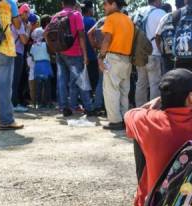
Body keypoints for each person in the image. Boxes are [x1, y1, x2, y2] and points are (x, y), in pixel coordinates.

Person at [125, 68, 192, 206]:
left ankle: (145, 200)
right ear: (190, 98)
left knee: (140, 135)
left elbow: (129, 115)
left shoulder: (148, 120)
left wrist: (155, 102)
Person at [53, 0, 95, 117]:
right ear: (74, 4)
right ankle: (88, 107)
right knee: (80, 80)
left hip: (60, 52)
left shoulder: (56, 16)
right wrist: (85, 55)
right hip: (75, 53)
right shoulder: (76, 15)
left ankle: (64, 106)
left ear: (62, 4)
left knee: (62, 80)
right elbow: (81, 36)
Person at [99, 0, 134, 130]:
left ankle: (115, 121)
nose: (104, 7)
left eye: (105, 4)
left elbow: (107, 38)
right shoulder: (128, 19)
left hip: (113, 57)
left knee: (111, 90)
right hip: (127, 58)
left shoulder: (111, 18)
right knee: (124, 90)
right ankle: (125, 119)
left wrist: (101, 56)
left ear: (113, 4)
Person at [0, 0, 24, 130]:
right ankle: (6, 120)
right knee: (4, 88)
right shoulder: (9, 2)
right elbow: (17, 25)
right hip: (3, 48)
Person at [134, 0, 166, 107]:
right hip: (154, 53)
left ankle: (139, 109)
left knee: (140, 83)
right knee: (154, 83)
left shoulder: (138, 12)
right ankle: (153, 111)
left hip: (139, 54)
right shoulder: (160, 13)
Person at [155, 0, 185, 73]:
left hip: (168, 55)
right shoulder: (188, 16)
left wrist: (161, 52)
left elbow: (157, 36)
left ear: (175, 5)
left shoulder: (166, 17)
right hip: (184, 55)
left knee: (168, 78)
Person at [11, 3, 30, 113]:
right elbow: (24, 41)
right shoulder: (19, 23)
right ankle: (13, 104)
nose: (28, 17)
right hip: (17, 54)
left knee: (9, 80)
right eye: (27, 13)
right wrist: (28, 29)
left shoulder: (10, 21)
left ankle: (9, 103)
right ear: (24, 13)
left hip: (8, 52)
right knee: (15, 80)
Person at [30, 27, 53, 108]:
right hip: (46, 66)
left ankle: (38, 103)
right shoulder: (45, 44)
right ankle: (48, 103)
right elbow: (51, 52)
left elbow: (32, 57)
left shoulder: (33, 46)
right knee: (47, 86)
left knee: (38, 86)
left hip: (37, 67)